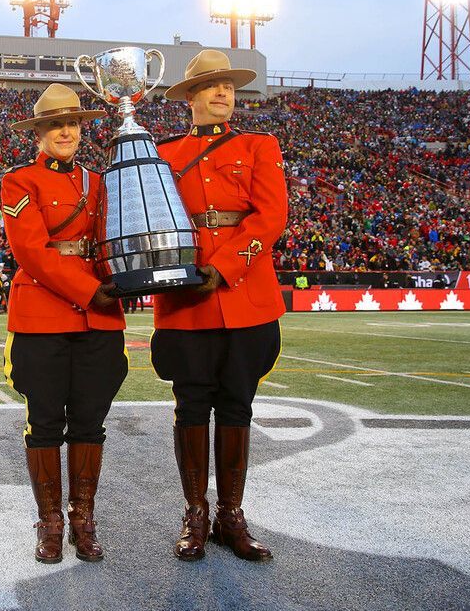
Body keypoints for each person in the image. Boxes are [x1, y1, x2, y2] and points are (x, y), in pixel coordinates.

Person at [152, 50, 288, 563]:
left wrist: (226, 266)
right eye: (210, 86)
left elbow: (270, 216)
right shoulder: (162, 152)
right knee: (190, 407)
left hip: (247, 295)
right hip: (186, 299)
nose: (223, 93)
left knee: (238, 406)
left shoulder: (260, 144)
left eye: (228, 85)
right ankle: (195, 513)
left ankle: (231, 515)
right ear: (189, 96)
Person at [0, 83, 127, 564]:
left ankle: (83, 520)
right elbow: (31, 252)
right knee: (46, 423)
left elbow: (111, 241)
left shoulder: (99, 182)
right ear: (39, 133)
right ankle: (50, 523)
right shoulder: (19, 181)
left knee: (91, 421)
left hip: (98, 320)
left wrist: (127, 279)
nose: (66, 131)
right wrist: (91, 291)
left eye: (73, 123)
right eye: (56, 124)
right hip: (43, 316)